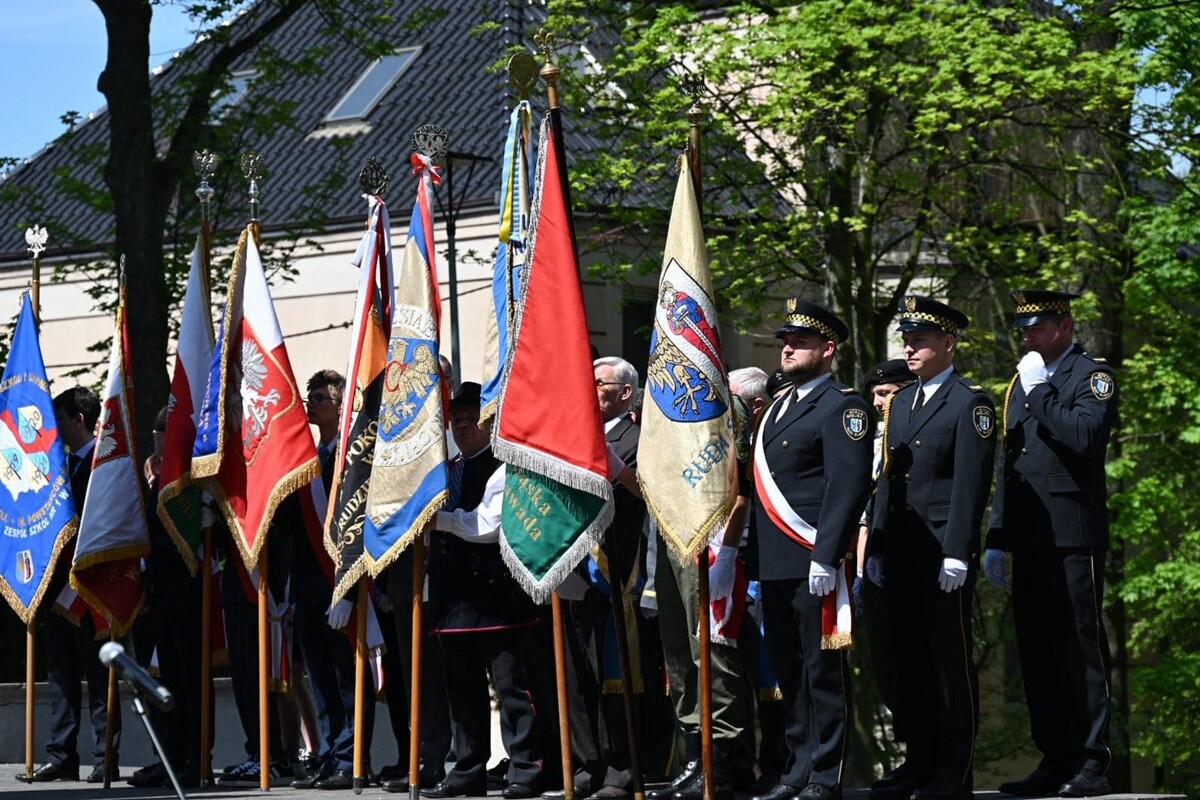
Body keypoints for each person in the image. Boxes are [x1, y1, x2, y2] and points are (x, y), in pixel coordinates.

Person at [984, 290, 1118, 798]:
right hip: (1029, 534)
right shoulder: (1023, 381)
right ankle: (1054, 756)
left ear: (1063, 325)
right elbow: (1009, 462)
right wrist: (998, 534)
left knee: (1077, 645)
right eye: (1023, 329)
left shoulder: (1090, 376)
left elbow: (1084, 437)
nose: (1027, 337)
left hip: (1071, 533)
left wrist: (1040, 391)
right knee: (1036, 649)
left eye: (1036, 328)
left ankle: (1090, 759)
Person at [867, 296, 996, 800]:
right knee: (908, 663)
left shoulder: (970, 402)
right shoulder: (901, 402)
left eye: (921, 339)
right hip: (900, 547)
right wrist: (876, 543)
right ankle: (917, 761)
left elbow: (970, 483)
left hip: (941, 551)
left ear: (948, 342)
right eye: (907, 339)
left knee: (948, 665)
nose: (911, 348)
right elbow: (887, 482)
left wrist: (959, 550)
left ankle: (952, 770)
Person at [750, 300, 873, 800]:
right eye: (785, 341)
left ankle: (827, 773)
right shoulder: (779, 405)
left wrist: (826, 556)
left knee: (823, 672)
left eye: (798, 342)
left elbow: (846, 488)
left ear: (827, 349)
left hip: (811, 559)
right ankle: (796, 768)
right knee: (789, 670)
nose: (787, 348)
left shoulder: (845, 407)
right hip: (774, 561)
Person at [417, 382, 544, 800]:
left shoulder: (504, 464)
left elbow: (489, 526)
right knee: (462, 693)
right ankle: (467, 770)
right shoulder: (447, 470)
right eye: (457, 420)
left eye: (473, 418)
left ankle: (526, 770)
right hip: (453, 601)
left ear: (489, 422)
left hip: (497, 598)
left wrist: (442, 521)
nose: (464, 426)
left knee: (513, 691)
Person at [645, 366, 761, 800]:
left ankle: (725, 763)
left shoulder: (731, 416)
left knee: (713, 657)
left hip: (713, 545)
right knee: (679, 658)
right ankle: (697, 754)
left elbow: (741, 488)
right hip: (677, 538)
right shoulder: (675, 418)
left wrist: (728, 553)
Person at [547, 357, 646, 800]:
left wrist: (617, 468)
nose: (589, 390)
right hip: (571, 566)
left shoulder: (639, 435)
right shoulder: (572, 434)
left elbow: (649, 492)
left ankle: (619, 770)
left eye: (599, 384)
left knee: (612, 675)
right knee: (576, 676)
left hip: (615, 567)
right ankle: (586, 765)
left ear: (624, 393)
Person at [18, 387, 120, 785]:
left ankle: (104, 756)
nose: (53, 429)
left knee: (98, 676)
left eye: (58, 419)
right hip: (55, 586)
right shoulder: (55, 467)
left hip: (92, 587)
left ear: (78, 419)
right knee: (60, 674)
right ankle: (61, 755)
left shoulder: (104, 464)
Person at [289, 369, 373, 790]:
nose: (311, 404)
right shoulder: (309, 462)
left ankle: (351, 758)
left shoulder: (352, 462)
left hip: (342, 585)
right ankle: (328, 753)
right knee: (320, 680)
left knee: (346, 680)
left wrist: (351, 590)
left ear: (341, 405)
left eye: (320, 397)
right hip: (306, 588)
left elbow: (359, 527)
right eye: (310, 397)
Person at [127, 408, 206, 788]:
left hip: (188, 596)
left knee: (189, 683)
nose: (159, 438)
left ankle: (194, 756)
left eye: (166, 431)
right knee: (163, 685)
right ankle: (169, 756)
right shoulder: (156, 481)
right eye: (159, 431)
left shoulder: (192, 484)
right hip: (157, 595)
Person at [854, 358, 917, 753]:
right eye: (875, 395)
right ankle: (908, 749)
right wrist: (861, 570)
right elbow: (865, 513)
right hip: (876, 563)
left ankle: (930, 756)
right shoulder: (873, 441)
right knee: (887, 666)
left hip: (911, 561)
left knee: (915, 664)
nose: (878, 403)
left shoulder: (911, 437)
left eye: (886, 394)